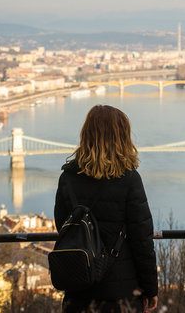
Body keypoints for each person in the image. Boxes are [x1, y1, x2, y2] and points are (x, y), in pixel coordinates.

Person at [54, 105, 158, 313]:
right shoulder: (129, 179)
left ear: (86, 135)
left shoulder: (67, 178)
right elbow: (141, 240)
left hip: (79, 286)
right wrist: (150, 288)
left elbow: (62, 226)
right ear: (122, 137)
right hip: (121, 293)